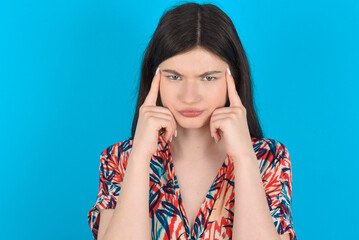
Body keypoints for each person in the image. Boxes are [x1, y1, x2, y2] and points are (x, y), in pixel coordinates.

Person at [88, 2, 297, 240]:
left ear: (234, 80)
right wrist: (140, 156)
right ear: (154, 76)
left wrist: (244, 157)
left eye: (208, 78)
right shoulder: (119, 159)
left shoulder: (269, 159)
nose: (189, 96)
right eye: (174, 76)